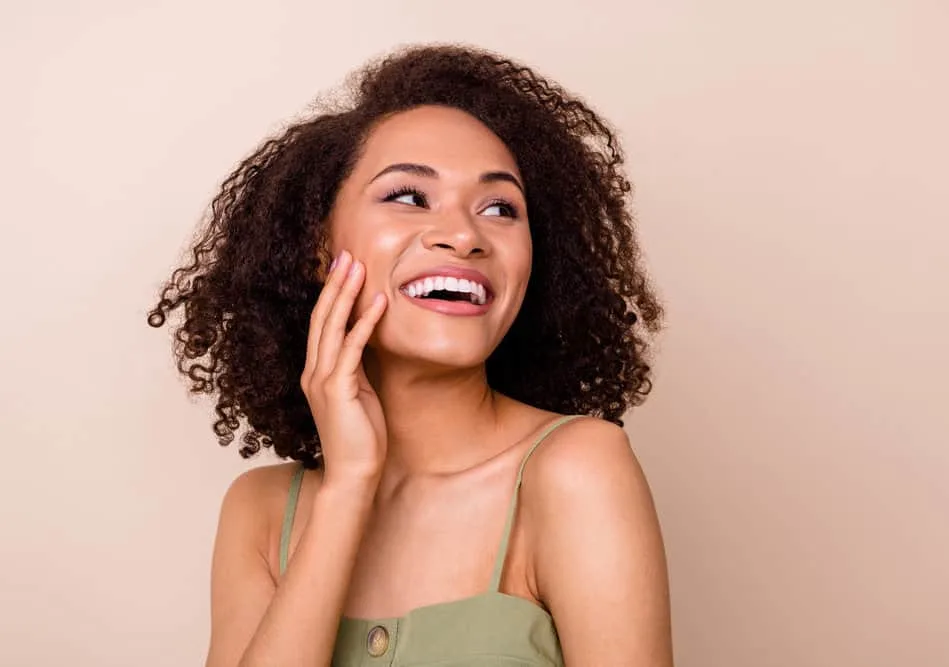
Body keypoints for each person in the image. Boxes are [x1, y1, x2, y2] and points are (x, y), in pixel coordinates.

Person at [149, 43, 672, 667]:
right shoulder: (260, 513)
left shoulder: (575, 472)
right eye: (409, 197)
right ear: (317, 245)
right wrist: (348, 489)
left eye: (500, 208)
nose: (463, 235)